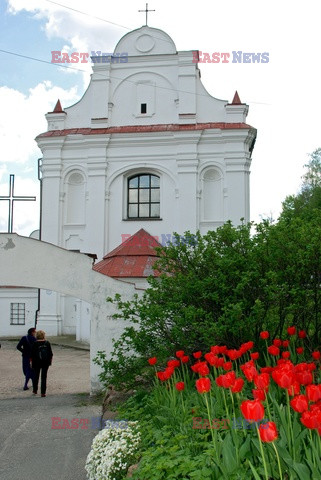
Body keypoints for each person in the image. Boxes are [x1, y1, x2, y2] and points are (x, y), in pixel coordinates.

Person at [31, 330, 53, 397]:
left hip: (36, 362)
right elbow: (50, 353)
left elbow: (32, 354)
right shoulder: (47, 343)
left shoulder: (34, 343)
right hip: (45, 362)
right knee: (44, 377)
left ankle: (35, 390)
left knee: (36, 376)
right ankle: (43, 392)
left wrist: (31, 362)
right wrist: (50, 361)